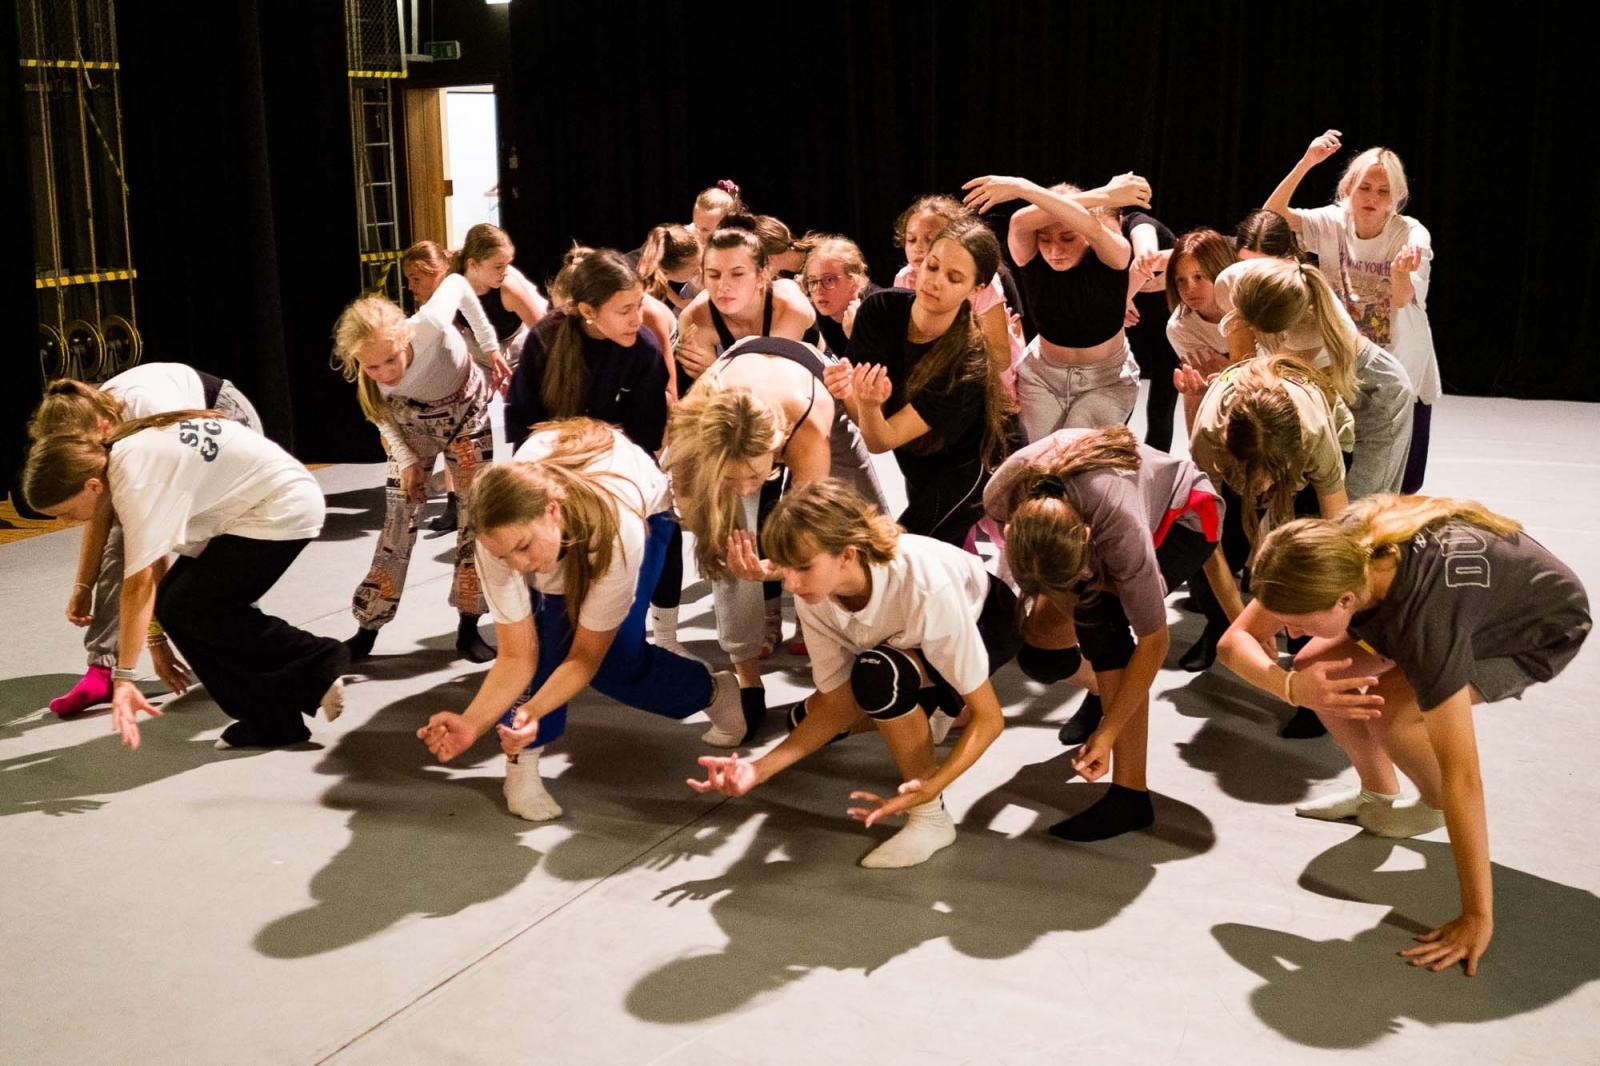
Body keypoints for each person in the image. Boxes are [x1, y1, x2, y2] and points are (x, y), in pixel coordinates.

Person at [1217, 495, 1590, 975]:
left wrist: (1477, 916)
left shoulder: (1427, 621)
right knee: (1314, 666)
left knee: (1396, 714)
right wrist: (1291, 684)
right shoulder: (1331, 553)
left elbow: (1464, 777)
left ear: (1345, 601)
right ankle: (1378, 792)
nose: (1285, 630)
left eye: (1298, 621)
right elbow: (1235, 643)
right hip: (1463, 603)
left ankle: (1429, 808)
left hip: (1534, 629)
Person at [416, 419, 752, 820]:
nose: (520, 565)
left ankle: (711, 691)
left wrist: (533, 713)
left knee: (616, 662)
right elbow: (516, 657)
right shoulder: (498, 538)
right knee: (543, 645)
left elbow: (585, 658)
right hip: (563, 505)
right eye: (506, 556)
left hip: (644, 516)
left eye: (523, 548)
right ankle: (522, 762)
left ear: (553, 511)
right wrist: (472, 722)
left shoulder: (617, 531)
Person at [687, 479, 1021, 868]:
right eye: (785, 568)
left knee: (879, 676)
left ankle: (932, 820)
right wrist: (756, 769)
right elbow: (838, 703)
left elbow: (990, 718)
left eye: (804, 567)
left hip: (987, 618)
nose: (791, 583)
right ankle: (933, 710)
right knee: (807, 717)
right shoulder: (816, 593)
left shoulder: (925, 589)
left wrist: (931, 785)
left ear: (847, 555)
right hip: (907, 637)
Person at [24, 413, 347, 750]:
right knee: (176, 606)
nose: (65, 522)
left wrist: (124, 677)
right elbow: (153, 585)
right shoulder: (119, 460)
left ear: (92, 486)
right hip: (243, 511)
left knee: (197, 607)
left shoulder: (133, 479)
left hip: (280, 507)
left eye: (66, 512)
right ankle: (270, 719)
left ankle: (316, 661)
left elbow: (138, 586)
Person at [987, 426, 1232, 840]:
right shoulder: (1002, 495)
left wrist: (1109, 732)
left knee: (1102, 624)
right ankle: (1105, 691)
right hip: (1095, 505)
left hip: (1185, 516)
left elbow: (1155, 642)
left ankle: (1130, 798)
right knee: (1041, 654)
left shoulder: (1120, 529)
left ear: (1086, 539)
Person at [664, 334, 887, 716]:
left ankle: (877, 640)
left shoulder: (807, 431)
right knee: (731, 545)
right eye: (731, 480)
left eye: (752, 477)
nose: (746, 489)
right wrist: (733, 556)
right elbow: (700, 518)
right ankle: (747, 678)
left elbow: (810, 537)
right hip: (734, 384)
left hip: (809, 384)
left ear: (777, 447)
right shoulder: (693, 435)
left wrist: (773, 569)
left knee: (866, 527)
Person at [28, 366, 263, 717]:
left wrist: (158, 639)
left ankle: (251, 647)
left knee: (221, 552)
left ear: (101, 428)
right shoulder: (88, 431)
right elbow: (101, 515)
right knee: (122, 538)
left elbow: (151, 550)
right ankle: (102, 668)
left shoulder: (147, 419)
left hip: (222, 421)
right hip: (160, 440)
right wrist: (83, 584)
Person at [331, 277, 507, 664]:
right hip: (408, 423)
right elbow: (381, 417)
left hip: (466, 413)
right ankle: (367, 628)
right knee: (398, 518)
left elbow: (460, 284)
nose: (385, 371)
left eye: (391, 359)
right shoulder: (372, 371)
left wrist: (490, 346)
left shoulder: (428, 323)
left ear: (404, 337)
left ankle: (468, 626)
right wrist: (409, 463)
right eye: (371, 365)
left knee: (475, 519)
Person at [1265, 131, 1439, 492]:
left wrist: (1398, 273)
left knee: (1405, 482)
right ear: (1347, 188)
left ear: (1398, 198)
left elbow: (1405, 298)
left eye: (1383, 191)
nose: (1372, 198)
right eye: (1365, 187)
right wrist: (1307, 162)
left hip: (1399, 367)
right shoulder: (1332, 222)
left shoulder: (1411, 235)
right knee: (1347, 470)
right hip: (1345, 363)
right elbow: (1271, 218)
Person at [832, 215, 1017, 546]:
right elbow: (872, 424)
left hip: (972, 466)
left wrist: (868, 402)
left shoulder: (968, 360)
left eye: (954, 277)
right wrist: (849, 392)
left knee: (905, 549)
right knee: (941, 557)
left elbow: (880, 438)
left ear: (976, 289)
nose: (935, 281)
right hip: (917, 455)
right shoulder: (881, 309)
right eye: (932, 267)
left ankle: (995, 598)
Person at [1180, 355, 1355, 684]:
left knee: (1305, 570)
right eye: (1253, 481)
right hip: (1233, 460)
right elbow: (1209, 543)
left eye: (1268, 480)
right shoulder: (1209, 436)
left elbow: (1336, 533)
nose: (1262, 490)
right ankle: (1216, 626)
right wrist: (1243, 631)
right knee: (1207, 562)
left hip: (1314, 455)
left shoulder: (1313, 434)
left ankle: (1309, 667)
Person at [962, 173, 1153, 440]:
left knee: (1073, 455)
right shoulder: (1029, 254)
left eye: (1067, 237)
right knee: (1038, 462)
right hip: (1042, 375)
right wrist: (1107, 194)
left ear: (1084, 231)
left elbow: (1094, 227)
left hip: (1106, 379)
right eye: (1045, 238)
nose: (1054, 250)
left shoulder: (1112, 253)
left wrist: (1022, 187)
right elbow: (1020, 221)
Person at [1223, 256, 1415, 501]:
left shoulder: (1307, 332)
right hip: (1325, 386)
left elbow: (1255, 369)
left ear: (1278, 330)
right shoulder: (1239, 282)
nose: (1251, 334)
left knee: (1359, 507)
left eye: (1255, 332)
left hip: (1372, 394)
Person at [504, 248, 669, 454]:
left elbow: (647, 436)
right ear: (588, 311)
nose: (637, 319)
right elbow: (523, 421)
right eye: (625, 310)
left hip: (614, 458)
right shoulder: (545, 338)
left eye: (639, 306)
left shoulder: (645, 350)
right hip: (552, 457)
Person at [890, 194, 1021, 389]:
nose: (919, 248)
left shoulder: (981, 281)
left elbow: (1000, 357)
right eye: (911, 239)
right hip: (933, 380)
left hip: (983, 383)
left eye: (931, 239)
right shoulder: (904, 278)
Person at [673, 218, 819, 389]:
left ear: (762, 276)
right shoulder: (694, 317)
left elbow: (771, 384)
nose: (723, 286)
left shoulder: (789, 304)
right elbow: (705, 398)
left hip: (821, 393)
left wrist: (715, 370)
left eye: (737, 274)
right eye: (713, 275)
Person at [1164, 228, 1236, 433]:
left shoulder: (1247, 304)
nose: (1189, 289)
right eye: (1181, 280)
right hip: (1223, 386)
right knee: (1192, 388)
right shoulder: (1180, 326)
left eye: (1199, 277)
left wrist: (1228, 367)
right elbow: (1204, 378)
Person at [1121, 206, 1182, 451]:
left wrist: (1123, 295)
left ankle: (1159, 463)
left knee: (1162, 401)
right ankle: (1109, 453)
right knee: (1122, 391)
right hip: (1132, 322)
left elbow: (1147, 257)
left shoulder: (1138, 223)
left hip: (1167, 322)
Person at [800, 234, 880, 356]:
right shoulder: (810, 316)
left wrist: (856, 337)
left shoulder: (878, 310)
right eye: (813, 281)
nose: (819, 290)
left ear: (854, 282)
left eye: (829, 280)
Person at [636, 223, 701, 313]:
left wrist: (679, 302)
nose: (700, 272)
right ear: (666, 272)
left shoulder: (661, 251)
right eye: (694, 272)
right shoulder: (638, 291)